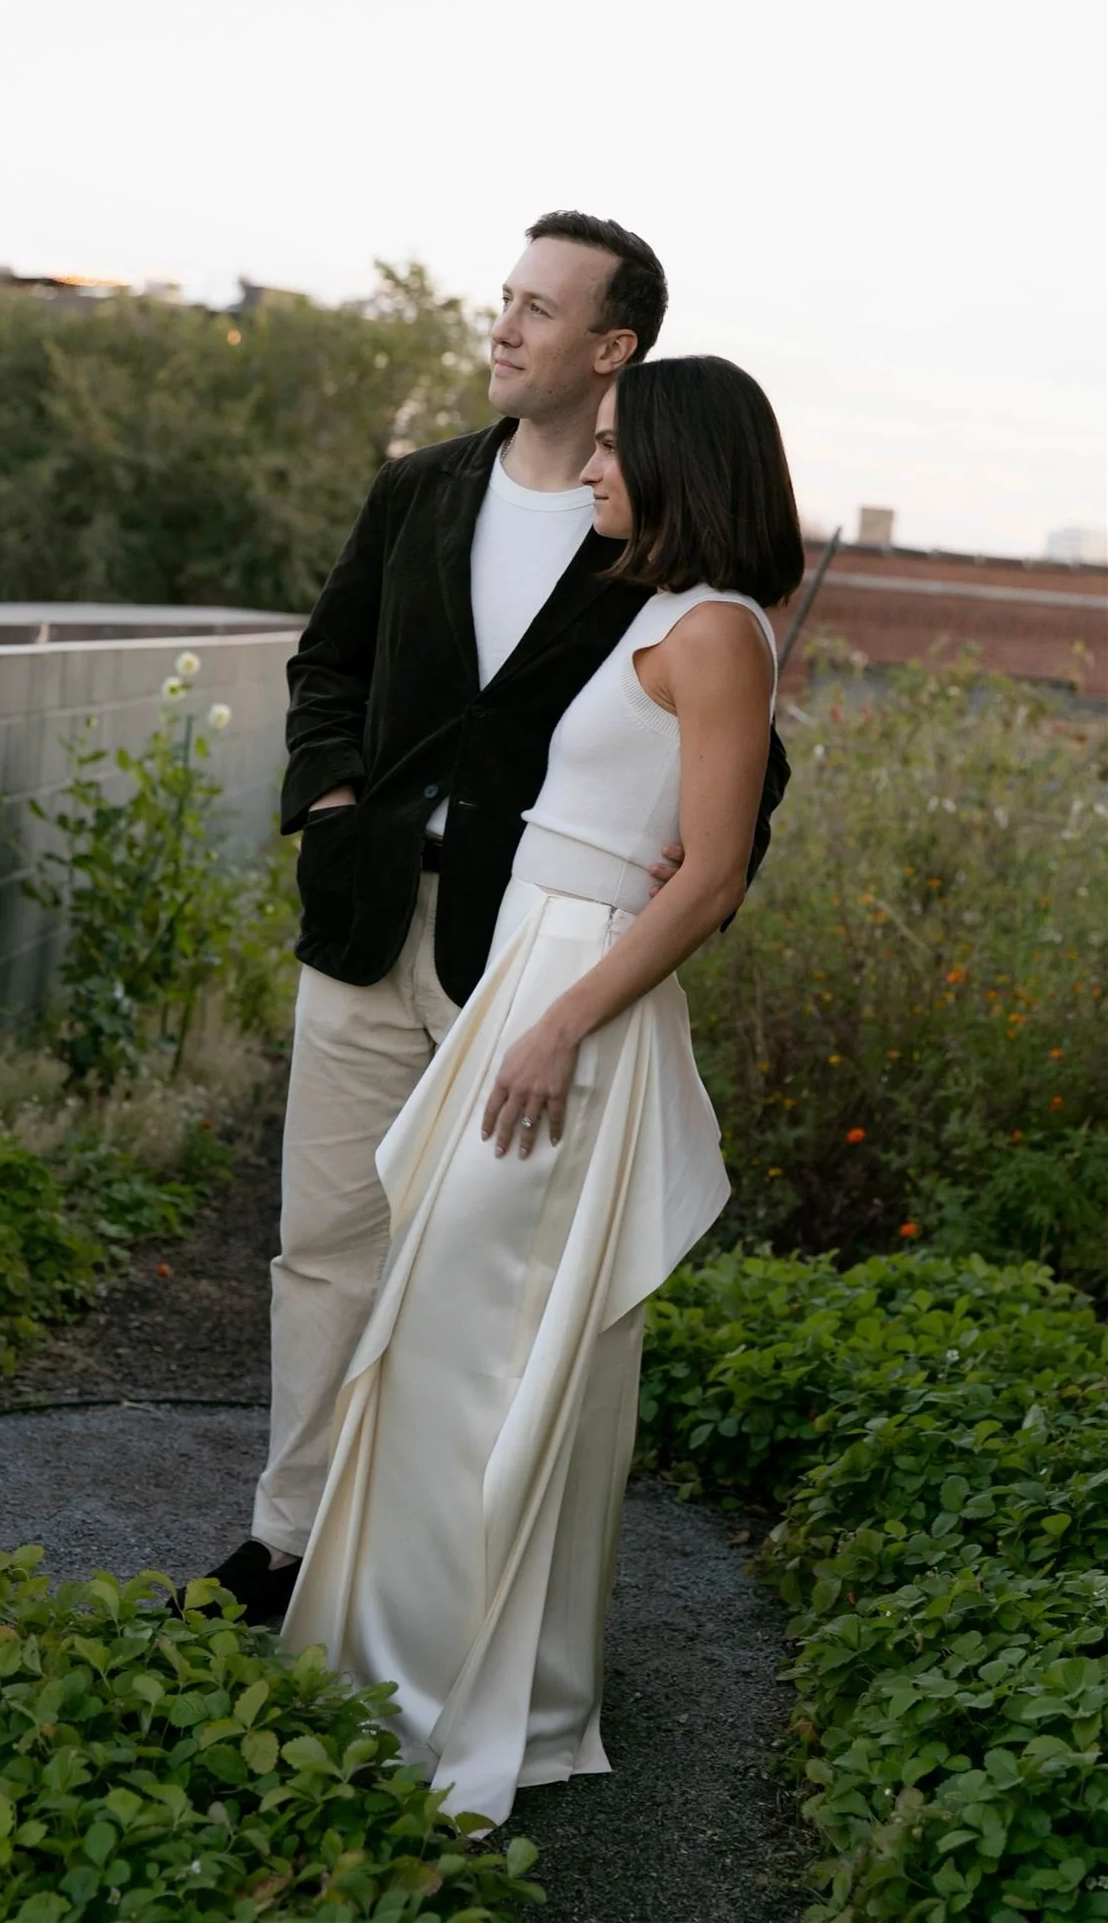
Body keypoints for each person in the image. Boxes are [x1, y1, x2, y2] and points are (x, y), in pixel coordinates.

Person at [197, 215, 788, 1621]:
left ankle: (430, 1581)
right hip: (366, 921)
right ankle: (288, 1545)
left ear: (614, 347)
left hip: (528, 954)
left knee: (477, 1277)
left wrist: (703, 865)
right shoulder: (418, 489)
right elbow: (328, 662)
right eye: (503, 297)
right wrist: (334, 805)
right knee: (325, 1242)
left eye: (540, 307)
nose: (503, 326)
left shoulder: (652, 530)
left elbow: (740, 753)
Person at [280, 354, 806, 1827]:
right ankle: (421, 1669)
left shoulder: (719, 630)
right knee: (447, 1335)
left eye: (619, 448)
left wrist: (561, 1021)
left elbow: (712, 875)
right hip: (529, 974)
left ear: (686, 463)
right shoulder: (651, 606)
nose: (592, 467)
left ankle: (444, 1698)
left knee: (479, 1349)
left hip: (571, 1005)